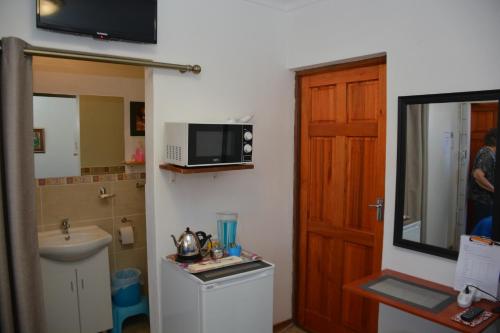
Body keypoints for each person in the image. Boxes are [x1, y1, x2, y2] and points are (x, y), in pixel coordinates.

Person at [469, 128, 497, 229]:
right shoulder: (486, 154)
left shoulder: (489, 153)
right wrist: (494, 189)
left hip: (486, 200)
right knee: (483, 229)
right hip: (484, 201)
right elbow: (478, 175)